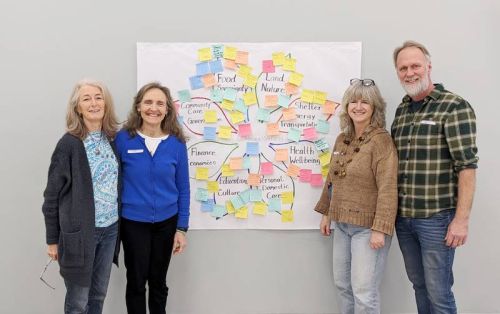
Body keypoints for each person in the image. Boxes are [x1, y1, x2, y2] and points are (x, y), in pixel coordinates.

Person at [391, 41, 478, 314]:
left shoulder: (454, 106)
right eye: (403, 68)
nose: (409, 72)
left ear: (428, 67)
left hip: (436, 219)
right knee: (419, 286)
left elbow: (467, 166)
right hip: (403, 219)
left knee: (439, 293)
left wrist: (461, 220)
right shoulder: (401, 111)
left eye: (415, 65)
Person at [314, 78, 398, 314]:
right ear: (347, 106)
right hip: (341, 226)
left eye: (365, 102)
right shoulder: (343, 139)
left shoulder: (382, 141)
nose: (358, 106)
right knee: (343, 286)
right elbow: (332, 178)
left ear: (375, 108)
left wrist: (380, 228)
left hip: (368, 229)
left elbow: (388, 188)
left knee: (364, 292)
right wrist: (326, 214)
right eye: (353, 101)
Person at [42, 79, 121, 314]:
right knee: (78, 302)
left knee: (98, 296)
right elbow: (51, 197)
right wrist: (52, 240)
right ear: (78, 107)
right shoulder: (68, 144)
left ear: (106, 104)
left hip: (110, 231)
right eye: (86, 99)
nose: (94, 103)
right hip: (79, 235)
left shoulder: (113, 139)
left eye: (98, 97)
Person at [115, 82, 190, 314]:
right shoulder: (122, 140)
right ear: (138, 107)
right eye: (148, 102)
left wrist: (182, 228)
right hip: (133, 223)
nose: (153, 108)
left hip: (167, 223)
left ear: (167, 109)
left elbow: (184, 188)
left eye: (160, 103)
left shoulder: (176, 144)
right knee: (136, 282)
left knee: (158, 282)